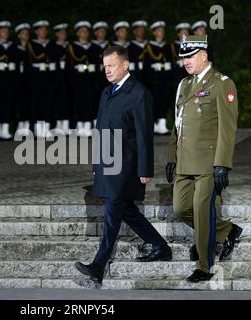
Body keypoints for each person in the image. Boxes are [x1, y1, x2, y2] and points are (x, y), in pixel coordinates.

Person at [75, 46, 172, 286]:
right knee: (127, 211)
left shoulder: (139, 93)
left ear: (125, 65)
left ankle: (98, 265)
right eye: (105, 66)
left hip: (127, 166)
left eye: (112, 65)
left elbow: (143, 135)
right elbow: (100, 130)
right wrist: (97, 163)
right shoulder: (107, 92)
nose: (107, 70)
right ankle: (161, 246)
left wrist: (145, 170)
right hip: (108, 163)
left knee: (112, 211)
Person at [166, 35, 242, 283]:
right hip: (184, 162)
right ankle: (226, 230)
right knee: (180, 208)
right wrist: (171, 156)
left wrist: (222, 164)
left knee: (201, 210)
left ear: (204, 55)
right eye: (183, 57)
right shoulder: (184, 85)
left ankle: (204, 265)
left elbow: (227, 129)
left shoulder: (222, 84)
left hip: (208, 163)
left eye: (190, 56)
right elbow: (177, 125)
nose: (186, 61)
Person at [67, 21, 101, 137]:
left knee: (90, 102)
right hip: (78, 78)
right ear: (77, 33)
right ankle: (79, 126)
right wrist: (72, 80)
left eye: (86, 31)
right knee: (78, 102)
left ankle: (87, 126)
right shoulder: (72, 47)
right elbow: (69, 66)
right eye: (82, 31)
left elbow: (98, 65)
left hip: (90, 78)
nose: (85, 33)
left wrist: (97, 79)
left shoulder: (94, 47)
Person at [27, 20, 58, 138]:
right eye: (41, 29)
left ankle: (46, 129)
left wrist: (56, 79)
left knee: (49, 105)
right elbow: (28, 65)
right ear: (36, 31)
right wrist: (31, 81)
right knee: (37, 105)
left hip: (50, 77)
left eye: (45, 29)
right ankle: (38, 131)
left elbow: (56, 62)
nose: (43, 31)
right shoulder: (31, 45)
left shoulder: (52, 44)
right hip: (37, 78)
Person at [145, 21, 173, 135]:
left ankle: (162, 125)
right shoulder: (149, 46)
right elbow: (146, 63)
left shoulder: (167, 46)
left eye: (162, 30)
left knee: (164, 100)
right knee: (153, 101)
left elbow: (171, 61)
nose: (161, 32)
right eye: (159, 30)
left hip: (165, 77)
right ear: (154, 32)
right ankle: (153, 125)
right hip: (154, 78)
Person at [52, 23, 71, 135]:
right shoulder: (53, 46)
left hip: (68, 76)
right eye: (61, 32)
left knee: (68, 100)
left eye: (64, 32)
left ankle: (66, 125)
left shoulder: (70, 46)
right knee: (58, 101)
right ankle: (58, 125)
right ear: (56, 34)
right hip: (57, 76)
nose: (63, 34)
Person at [14, 23, 32, 137]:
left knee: (29, 102)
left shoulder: (32, 47)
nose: (26, 35)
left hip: (30, 79)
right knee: (19, 103)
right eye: (23, 33)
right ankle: (20, 127)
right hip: (19, 78)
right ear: (19, 36)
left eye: (27, 33)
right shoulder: (15, 48)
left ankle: (27, 126)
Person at [128, 20, 148, 86]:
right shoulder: (130, 46)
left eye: (143, 30)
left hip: (148, 76)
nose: (141, 32)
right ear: (134, 32)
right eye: (139, 30)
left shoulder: (148, 45)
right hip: (135, 76)